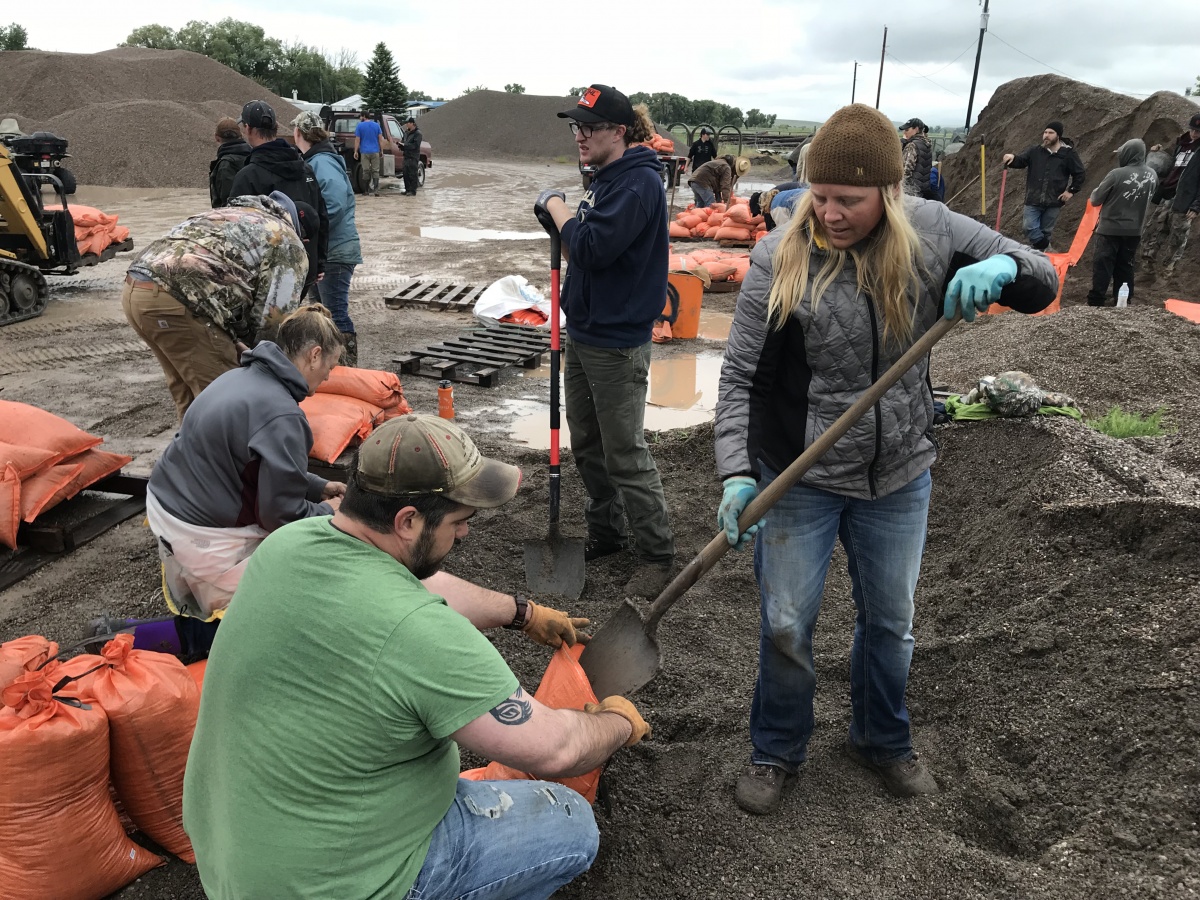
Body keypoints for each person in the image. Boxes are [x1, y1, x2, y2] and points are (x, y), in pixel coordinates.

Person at [714, 103, 1057, 816]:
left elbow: (1041, 276)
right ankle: (777, 747)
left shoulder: (934, 232)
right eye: (820, 195)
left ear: (890, 193)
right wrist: (738, 472)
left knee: (892, 621)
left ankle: (881, 738)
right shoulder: (780, 257)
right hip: (800, 474)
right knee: (785, 622)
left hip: (898, 471)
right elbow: (740, 379)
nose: (830, 213)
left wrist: (1001, 265)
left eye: (849, 199)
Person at [183, 413, 648, 900]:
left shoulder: (289, 544)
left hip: (238, 858)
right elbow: (555, 750)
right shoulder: (418, 631)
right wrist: (616, 723)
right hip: (329, 886)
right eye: (459, 522)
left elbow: (419, 582)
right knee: (570, 823)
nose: (465, 535)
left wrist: (521, 613)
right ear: (408, 521)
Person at [535, 83, 677, 598]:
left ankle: (658, 555)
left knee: (625, 453)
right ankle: (608, 532)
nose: (581, 135)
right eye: (577, 127)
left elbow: (591, 249)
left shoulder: (637, 184)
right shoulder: (606, 179)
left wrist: (556, 208)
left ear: (619, 132)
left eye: (590, 128)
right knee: (588, 444)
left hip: (618, 343)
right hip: (587, 332)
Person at [145, 305, 345, 657]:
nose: (328, 376)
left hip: (165, 503)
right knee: (269, 603)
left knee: (204, 601)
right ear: (314, 355)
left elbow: (250, 465)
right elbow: (280, 516)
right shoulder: (282, 413)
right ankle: (204, 653)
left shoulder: (236, 377)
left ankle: (189, 637)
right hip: (201, 532)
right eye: (330, 366)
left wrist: (317, 486)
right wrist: (326, 511)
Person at [121, 192, 311, 420]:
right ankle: (225, 454)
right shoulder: (286, 239)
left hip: (136, 290)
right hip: (180, 300)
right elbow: (274, 321)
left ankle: (189, 453)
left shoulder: (226, 214)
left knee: (190, 397)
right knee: (226, 401)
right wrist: (267, 366)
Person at [229, 100, 329, 290]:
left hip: (266, 276)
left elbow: (235, 232)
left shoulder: (248, 176)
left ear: (247, 128)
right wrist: (319, 263)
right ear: (275, 128)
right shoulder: (304, 168)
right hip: (304, 267)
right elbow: (321, 216)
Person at [293, 111, 363, 364]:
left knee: (335, 314)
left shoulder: (321, 161)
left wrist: (312, 232)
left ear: (299, 133)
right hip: (327, 251)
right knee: (321, 315)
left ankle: (348, 368)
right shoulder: (320, 158)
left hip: (334, 250)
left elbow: (333, 203)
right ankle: (331, 369)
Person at [1087, 139, 1157, 306]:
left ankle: (1096, 299)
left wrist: (1096, 191)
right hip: (1134, 230)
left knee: (1103, 264)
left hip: (1110, 228)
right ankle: (1123, 299)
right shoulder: (1152, 175)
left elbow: (1096, 199)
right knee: (1126, 265)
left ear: (1128, 154)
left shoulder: (1116, 174)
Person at [1002, 120, 1086, 250]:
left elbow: (1079, 174)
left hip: (1054, 200)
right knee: (1029, 227)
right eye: (1045, 132)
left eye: (1050, 133)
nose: (1046, 135)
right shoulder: (1035, 151)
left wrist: (1071, 191)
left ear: (1058, 135)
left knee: (1046, 232)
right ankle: (1048, 250)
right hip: (1033, 199)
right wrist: (1012, 158)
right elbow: (1021, 161)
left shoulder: (1068, 154)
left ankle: (1039, 259)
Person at [1142, 113, 1200, 277]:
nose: (1194, 134)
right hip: (1167, 193)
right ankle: (1148, 269)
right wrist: (1159, 152)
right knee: (1153, 230)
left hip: (1186, 200)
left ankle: (1167, 273)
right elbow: (1171, 165)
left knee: (1178, 236)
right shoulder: (1181, 144)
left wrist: (1196, 206)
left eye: (1198, 131)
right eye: (1192, 130)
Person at [209, 116, 251, 208]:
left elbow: (227, 203)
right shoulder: (254, 156)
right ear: (240, 135)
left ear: (217, 138)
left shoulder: (225, 165)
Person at [354, 110, 388, 197]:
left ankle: (366, 191)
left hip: (364, 152)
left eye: (361, 116)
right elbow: (381, 139)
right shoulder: (376, 125)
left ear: (364, 116)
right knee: (375, 171)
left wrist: (355, 151)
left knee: (365, 171)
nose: (360, 118)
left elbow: (357, 140)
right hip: (375, 151)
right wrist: (382, 150)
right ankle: (376, 190)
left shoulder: (359, 126)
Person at [900, 117, 935, 200]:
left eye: (907, 130)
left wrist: (900, 189)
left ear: (916, 129)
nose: (904, 132)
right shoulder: (927, 144)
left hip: (910, 191)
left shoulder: (912, 145)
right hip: (923, 190)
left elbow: (906, 171)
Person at [400, 116, 423, 196]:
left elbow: (415, 145)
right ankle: (407, 189)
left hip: (413, 157)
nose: (406, 125)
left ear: (412, 123)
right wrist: (400, 145)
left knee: (412, 174)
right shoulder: (406, 133)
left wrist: (405, 145)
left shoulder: (418, 133)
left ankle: (413, 191)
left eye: (408, 123)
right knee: (405, 174)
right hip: (406, 156)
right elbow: (403, 141)